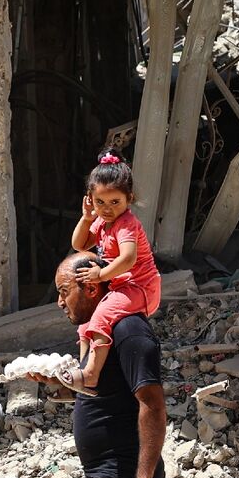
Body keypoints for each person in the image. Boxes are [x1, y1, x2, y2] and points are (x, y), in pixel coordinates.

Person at [28, 252, 167, 478]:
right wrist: (56, 381)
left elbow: (153, 405)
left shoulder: (129, 330)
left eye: (64, 292)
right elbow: (102, 391)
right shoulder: (99, 334)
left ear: (91, 289)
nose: (60, 303)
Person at [65, 148, 161, 394]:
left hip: (139, 287)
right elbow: (79, 244)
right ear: (91, 199)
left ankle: (90, 375)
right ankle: (84, 366)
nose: (107, 209)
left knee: (101, 316)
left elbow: (128, 258)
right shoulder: (102, 220)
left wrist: (100, 275)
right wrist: (87, 218)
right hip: (118, 285)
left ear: (129, 198)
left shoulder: (126, 223)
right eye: (100, 202)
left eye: (115, 202)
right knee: (86, 320)